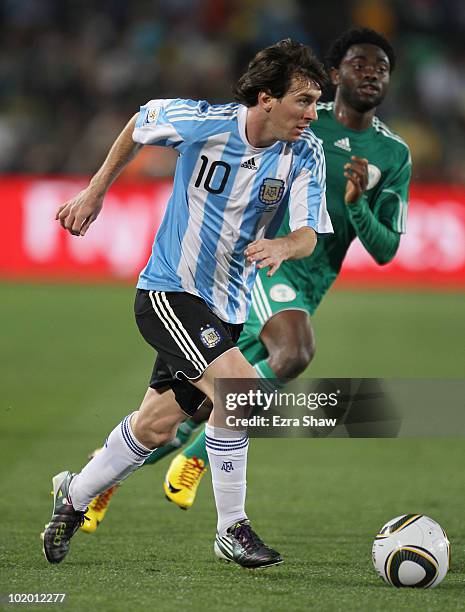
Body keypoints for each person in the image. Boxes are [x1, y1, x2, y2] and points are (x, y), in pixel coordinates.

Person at [79, 26, 411, 527]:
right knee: (285, 358)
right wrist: (96, 190)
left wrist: (359, 205)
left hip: (298, 276)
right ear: (336, 71)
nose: (371, 74)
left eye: (381, 68)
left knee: (179, 409)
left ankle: (97, 483)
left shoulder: (393, 154)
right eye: (360, 64)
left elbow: (385, 249)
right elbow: (223, 131)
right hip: (260, 272)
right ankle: (209, 483)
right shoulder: (300, 119)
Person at [42, 39, 333, 570]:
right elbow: (139, 122)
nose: (313, 114)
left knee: (155, 426)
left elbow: (311, 233)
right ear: (266, 97)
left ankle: (74, 495)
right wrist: (95, 192)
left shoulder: (305, 151)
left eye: (317, 102)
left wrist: (283, 244)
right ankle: (231, 528)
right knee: (240, 390)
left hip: (227, 307)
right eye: (304, 101)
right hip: (169, 291)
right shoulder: (204, 123)